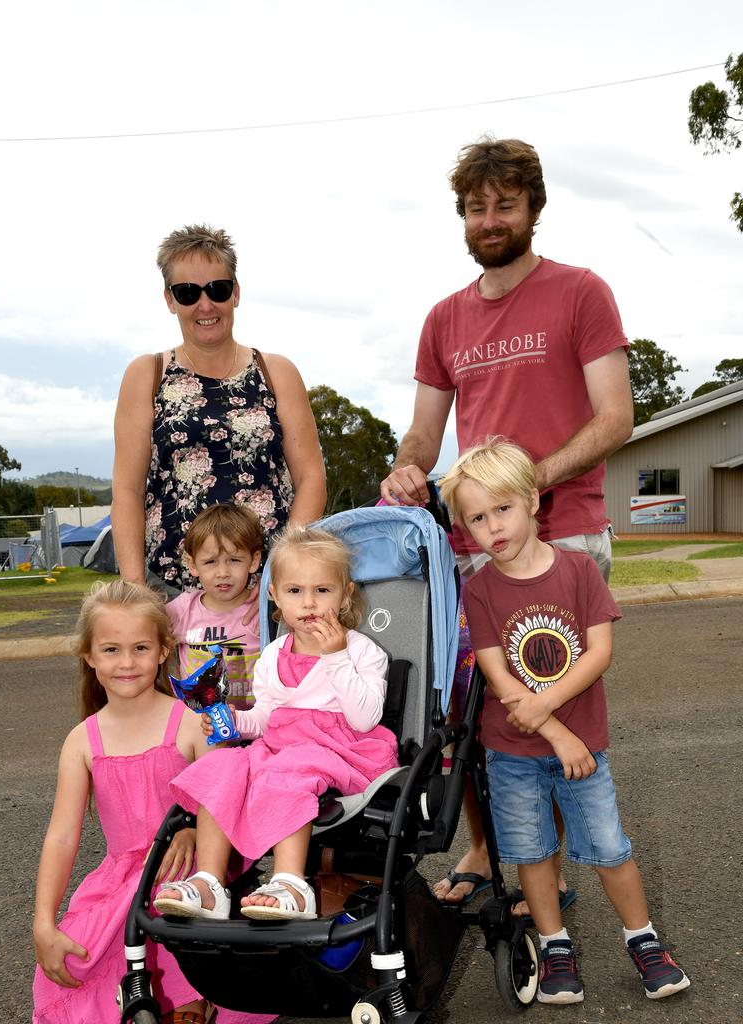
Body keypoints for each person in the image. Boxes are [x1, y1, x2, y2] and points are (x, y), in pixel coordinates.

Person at [380, 135, 634, 906]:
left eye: (506, 204)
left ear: (533, 209)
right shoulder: (444, 318)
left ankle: (570, 865)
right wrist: (408, 466)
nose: (491, 219)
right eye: (477, 207)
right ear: (462, 217)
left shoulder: (581, 292)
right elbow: (427, 430)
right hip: (475, 544)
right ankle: (499, 856)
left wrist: (531, 481)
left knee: (559, 696)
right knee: (485, 713)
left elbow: (615, 417)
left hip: (568, 529)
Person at [436, 439, 689, 1003]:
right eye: (477, 518)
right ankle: (553, 944)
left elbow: (598, 653)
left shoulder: (576, 570)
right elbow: (499, 677)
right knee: (529, 851)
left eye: (502, 509)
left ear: (532, 500)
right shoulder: (478, 591)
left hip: (584, 751)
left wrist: (549, 710)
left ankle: (643, 940)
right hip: (513, 754)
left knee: (609, 846)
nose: (493, 527)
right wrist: (553, 731)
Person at [154, 526, 399, 920]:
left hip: (341, 750)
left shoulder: (361, 651)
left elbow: (365, 717)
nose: (309, 604)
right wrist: (237, 721)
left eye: (323, 591)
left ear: (345, 593)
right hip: (280, 745)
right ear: (275, 596)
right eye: (295, 591)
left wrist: (336, 657)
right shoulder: (271, 655)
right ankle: (210, 882)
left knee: (287, 770)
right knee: (220, 766)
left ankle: (290, 883)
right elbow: (267, 717)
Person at [112, 223, 327, 594]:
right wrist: (134, 591)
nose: (205, 304)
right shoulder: (147, 375)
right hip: (173, 589)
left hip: (266, 591)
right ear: (169, 300)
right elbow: (127, 490)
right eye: (187, 292)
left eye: (218, 289)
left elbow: (311, 478)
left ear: (236, 293)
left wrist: (283, 571)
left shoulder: (277, 373)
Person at [32, 581, 207, 1024]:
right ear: (89, 656)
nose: (126, 662)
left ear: (164, 649)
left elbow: (224, 804)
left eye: (141, 647)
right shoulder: (82, 741)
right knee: (67, 957)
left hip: (184, 870)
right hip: (119, 878)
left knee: (166, 919)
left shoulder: (190, 723)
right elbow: (62, 836)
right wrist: (43, 924)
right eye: (111, 650)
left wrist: (191, 830)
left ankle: (189, 1003)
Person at [167, 503, 263, 709]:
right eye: (210, 562)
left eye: (234, 560)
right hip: (196, 724)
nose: (222, 572)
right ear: (192, 565)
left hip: (254, 723)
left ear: (254, 561)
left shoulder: (262, 611)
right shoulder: (181, 610)